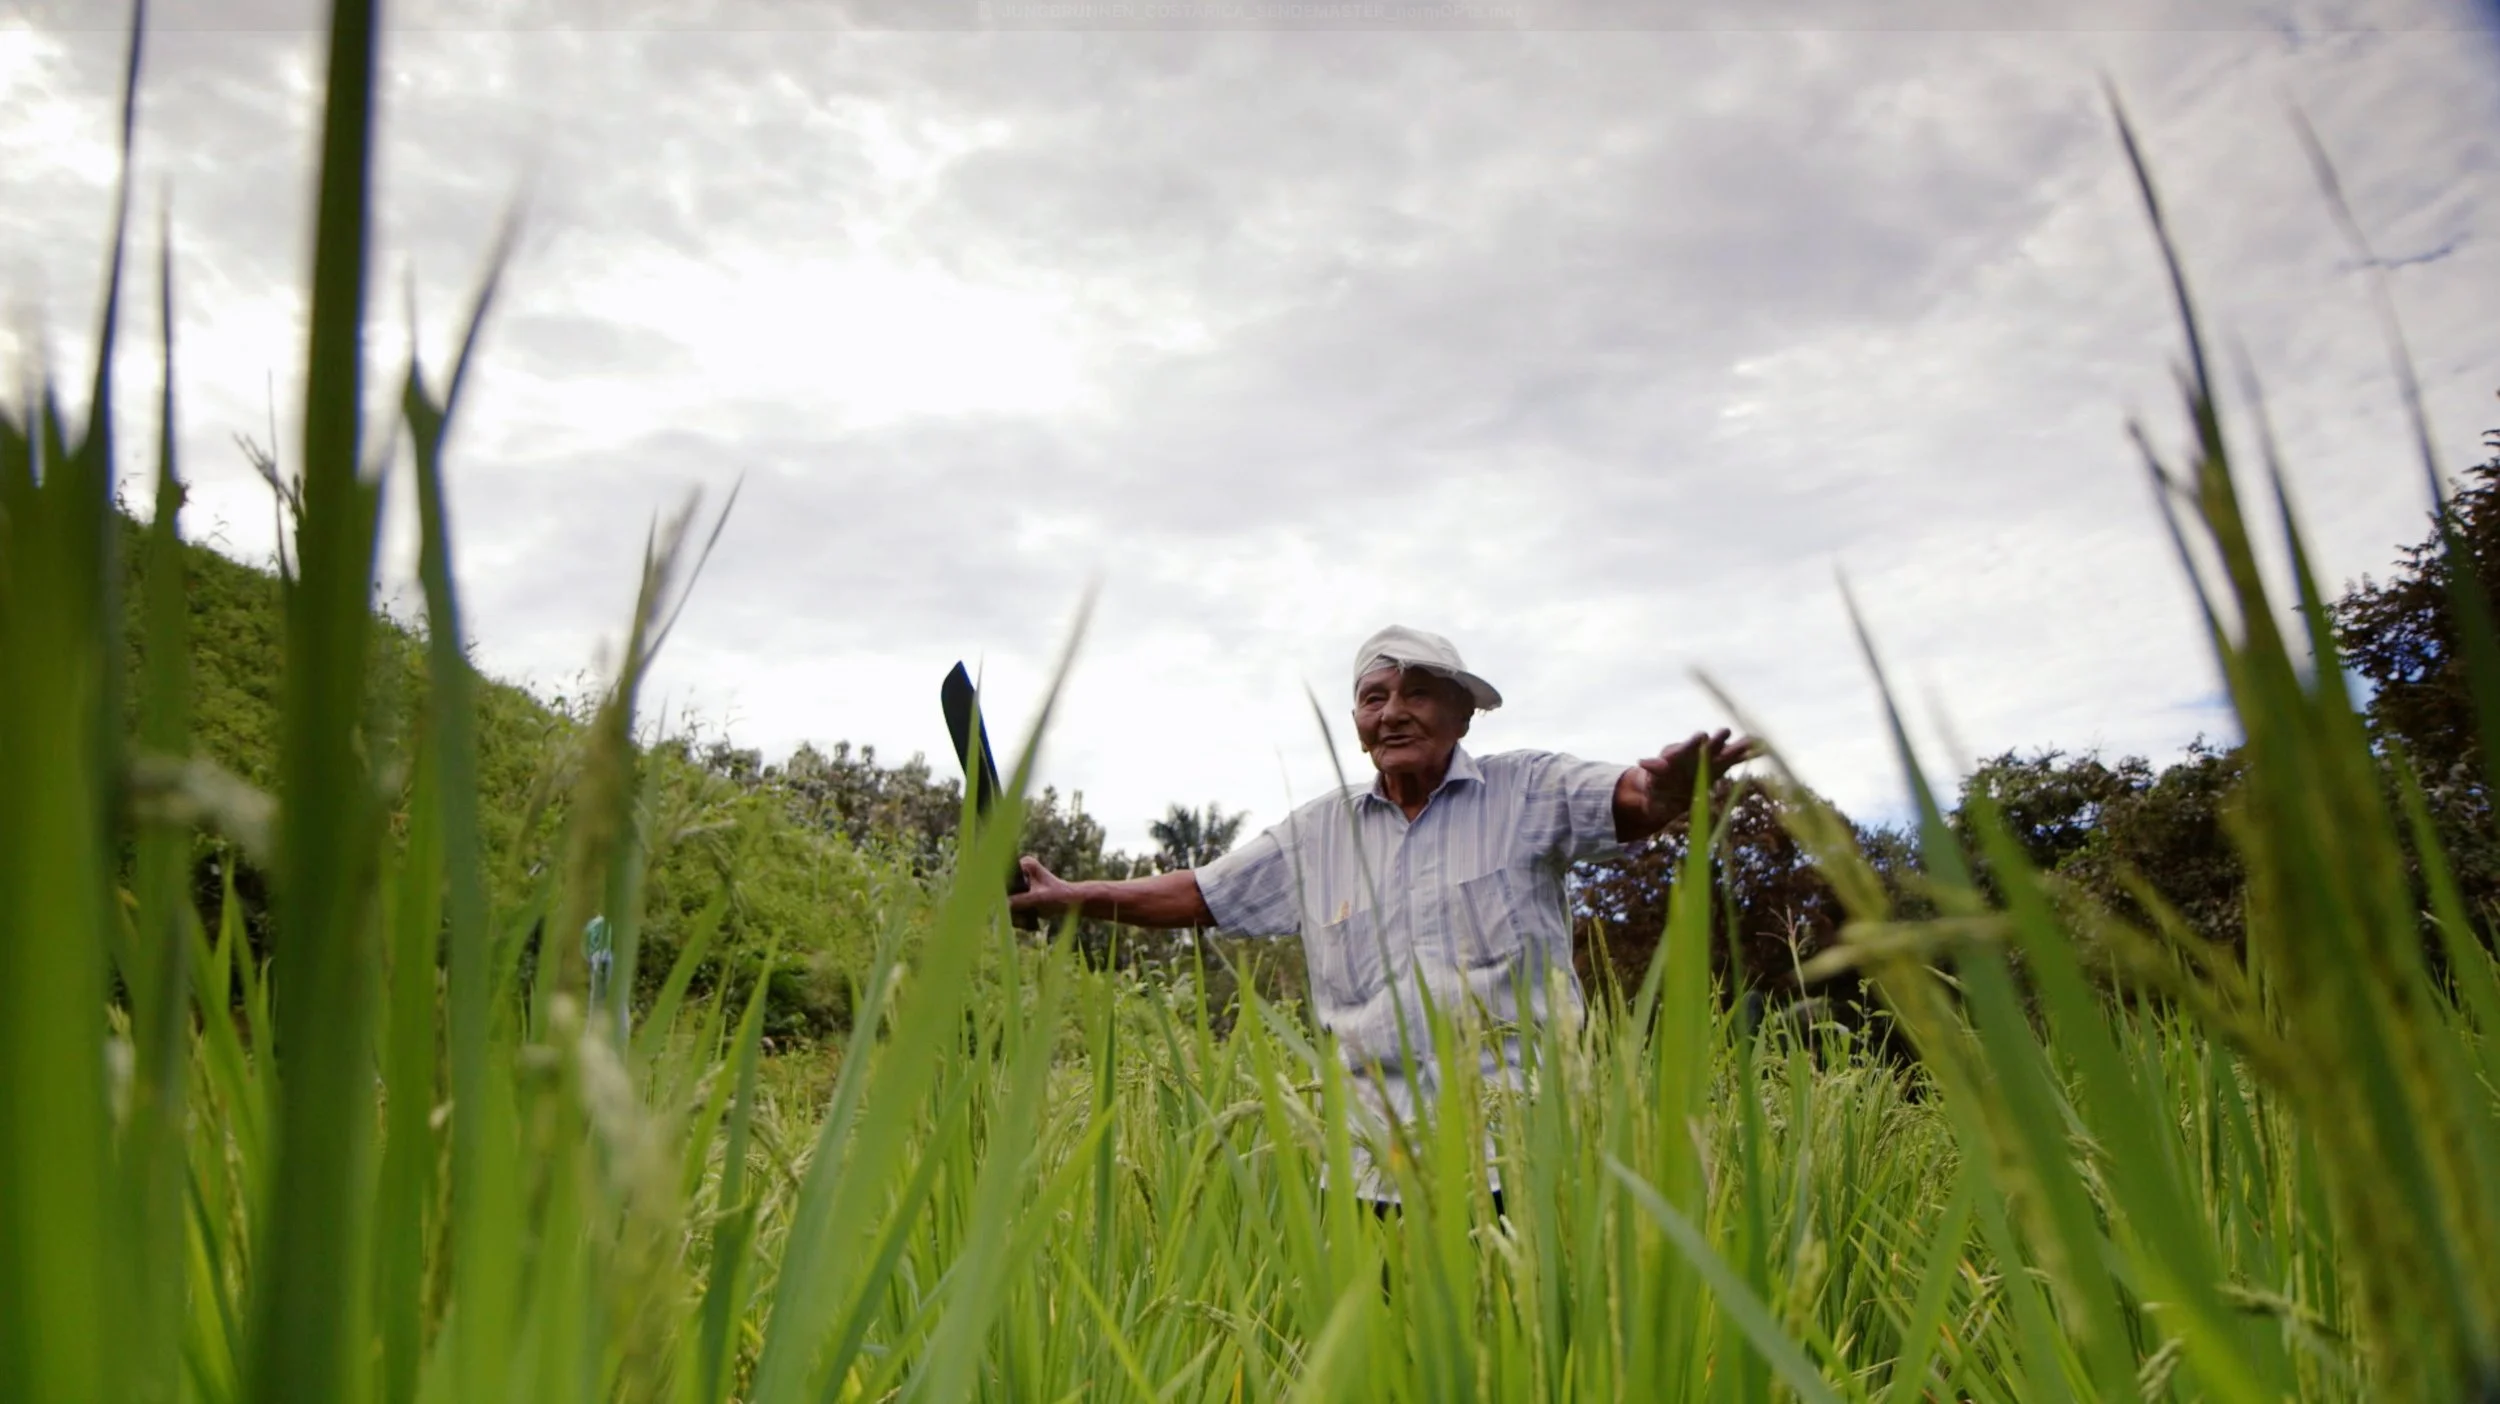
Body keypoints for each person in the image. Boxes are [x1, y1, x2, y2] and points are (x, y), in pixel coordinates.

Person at [1009, 624, 1756, 1207]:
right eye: (1374, 698)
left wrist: (1665, 792)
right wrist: (1071, 896)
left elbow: (1631, 799)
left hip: (1522, 1153)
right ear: (1358, 722)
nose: (1393, 712)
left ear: (1463, 715)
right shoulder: (1317, 834)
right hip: (1369, 1163)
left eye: (1418, 694)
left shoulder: (1528, 790)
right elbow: (1201, 895)